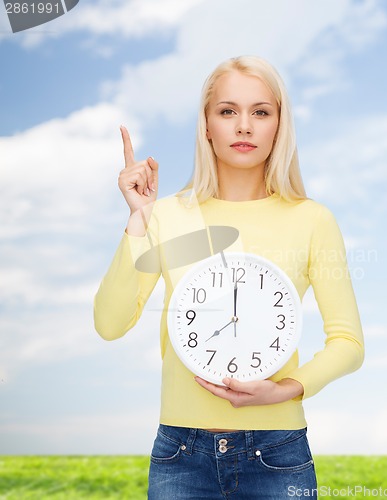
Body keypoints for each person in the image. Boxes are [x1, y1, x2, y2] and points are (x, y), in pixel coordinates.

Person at [94, 55, 364, 499]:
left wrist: (284, 391)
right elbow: (109, 323)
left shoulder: (312, 220)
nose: (244, 126)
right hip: (181, 454)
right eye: (227, 111)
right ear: (206, 126)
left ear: (279, 125)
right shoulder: (164, 216)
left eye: (260, 112)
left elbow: (349, 343)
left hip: (277, 453)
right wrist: (139, 220)